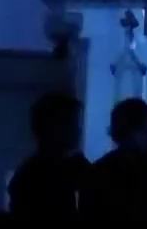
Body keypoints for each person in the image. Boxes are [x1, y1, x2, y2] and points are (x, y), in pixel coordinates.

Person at [8, 91, 89, 220]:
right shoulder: (31, 177)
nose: (78, 130)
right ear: (52, 128)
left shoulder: (77, 167)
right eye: (71, 123)